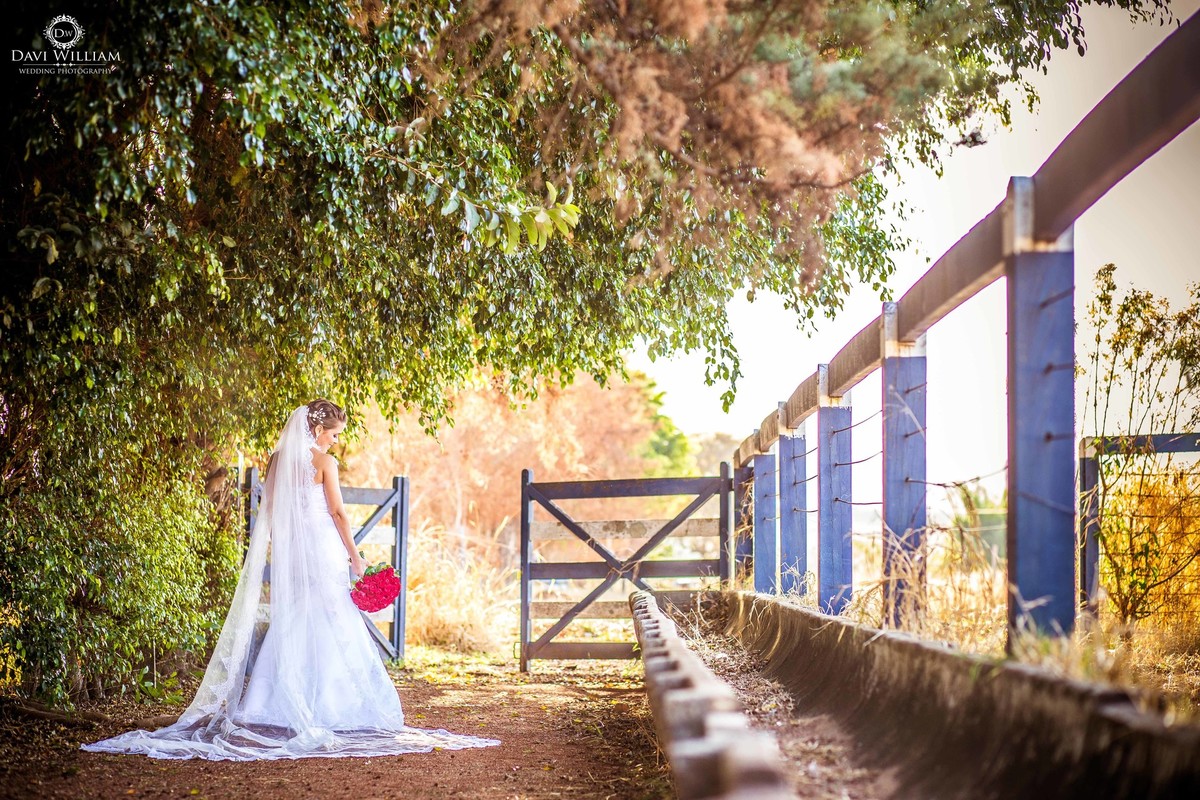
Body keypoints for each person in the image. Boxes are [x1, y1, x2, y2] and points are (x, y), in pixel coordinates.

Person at [83, 400, 499, 760]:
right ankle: (332, 707)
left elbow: (276, 512)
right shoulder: (324, 461)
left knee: (297, 617)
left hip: (292, 555)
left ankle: (268, 702)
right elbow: (337, 513)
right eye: (334, 433)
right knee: (332, 619)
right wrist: (356, 557)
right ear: (317, 429)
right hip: (321, 549)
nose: (336, 441)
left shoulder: (277, 460)